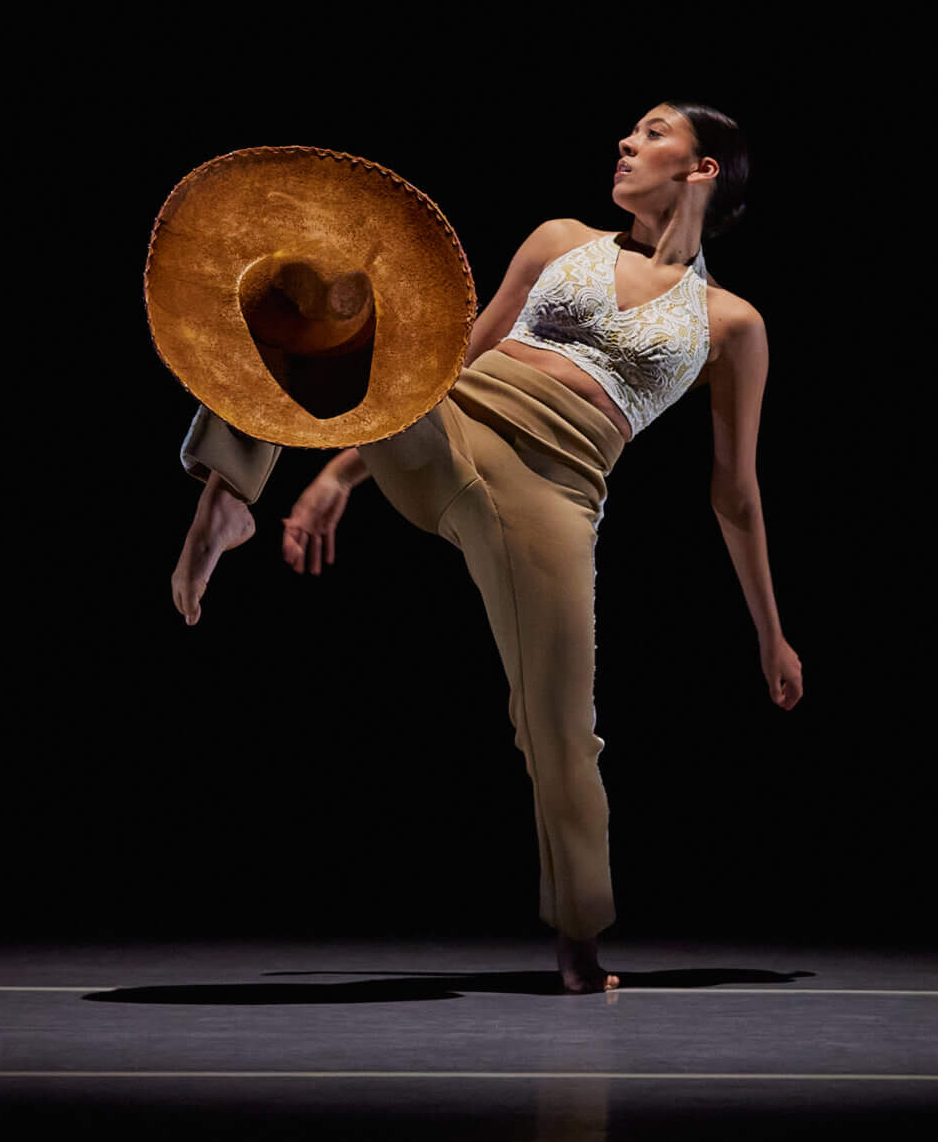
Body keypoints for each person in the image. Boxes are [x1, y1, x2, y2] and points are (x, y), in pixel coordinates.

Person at [169, 102, 803, 994]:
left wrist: (769, 634)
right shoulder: (561, 240)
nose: (627, 141)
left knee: (557, 726)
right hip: (453, 427)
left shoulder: (731, 323)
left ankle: (580, 940)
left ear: (705, 169)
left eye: (655, 132)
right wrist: (337, 478)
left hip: (552, 493)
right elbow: (450, 353)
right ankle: (225, 495)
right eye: (629, 129)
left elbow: (735, 493)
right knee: (333, 297)